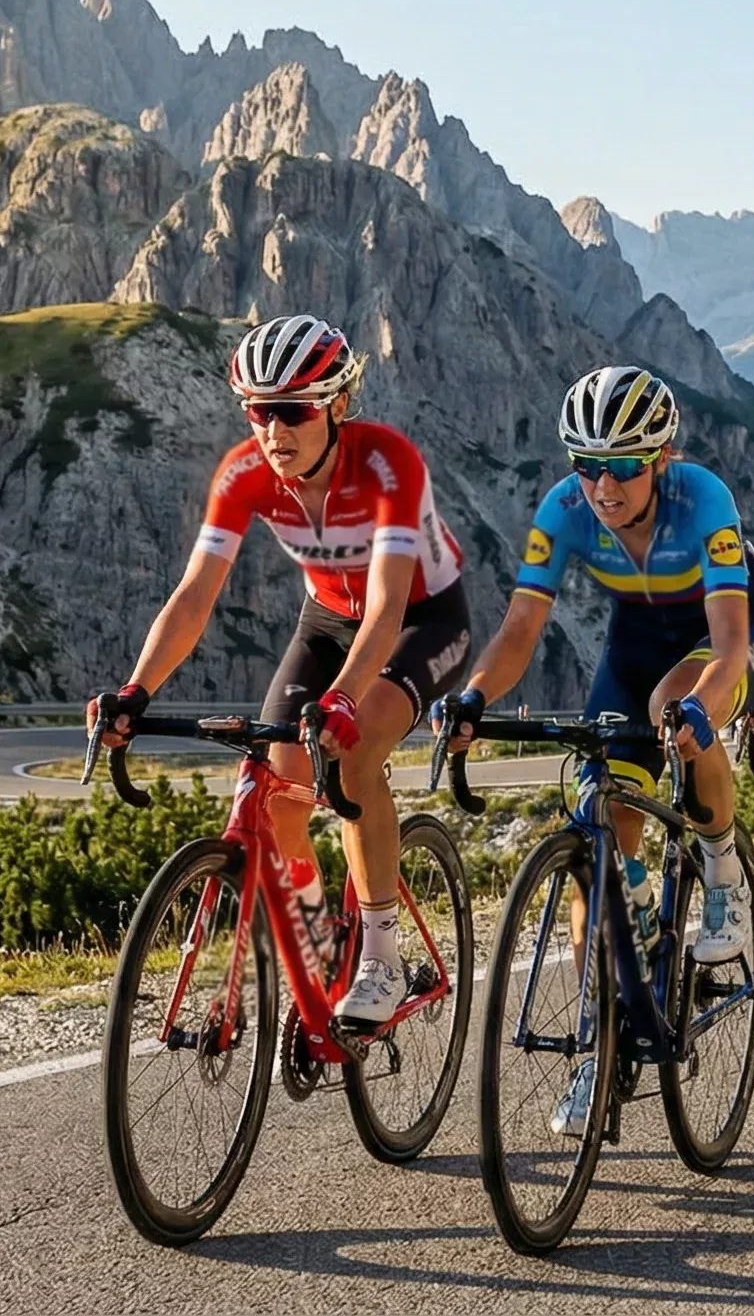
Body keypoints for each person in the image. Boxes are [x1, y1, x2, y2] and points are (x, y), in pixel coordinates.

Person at [90, 314, 472, 1031]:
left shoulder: (388, 463)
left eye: (293, 412)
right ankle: (321, 942)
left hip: (423, 621)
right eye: (259, 413)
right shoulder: (243, 474)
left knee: (354, 761)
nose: (274, 431)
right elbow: (197, 591)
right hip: (325, 622)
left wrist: (345, 703)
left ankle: (382, 960)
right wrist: (137, 689)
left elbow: (388, 607)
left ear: (337, 405)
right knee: (274, 794)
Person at [442, 366, 754, 1133]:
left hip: (731, 630)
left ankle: (721, 864)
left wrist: (700, 705)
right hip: (635, 641)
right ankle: (600, 1039)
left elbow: (730, 645)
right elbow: (521, 628)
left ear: (660, 459)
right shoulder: (563, 508)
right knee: (598, 810)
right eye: (587, 465)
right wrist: (474, 698)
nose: (603, 484)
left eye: (624, 465)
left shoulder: (705, 501)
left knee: (674, 708)